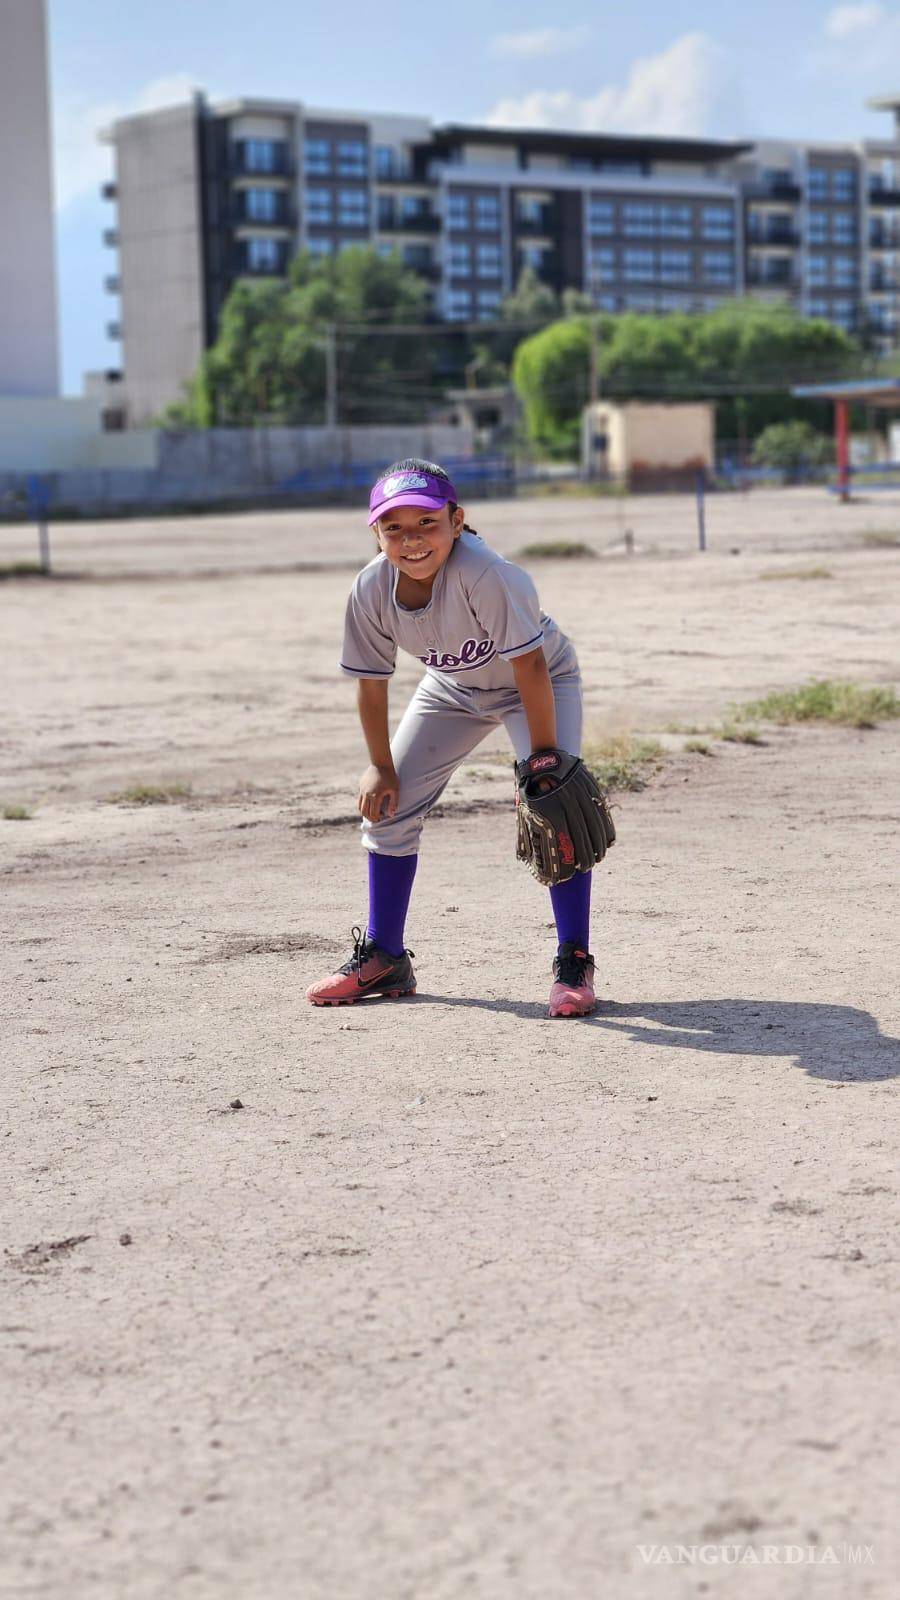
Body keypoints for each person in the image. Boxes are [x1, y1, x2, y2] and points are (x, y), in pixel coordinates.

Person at [306, 458, 598, 1018]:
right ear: (375, 533)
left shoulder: (488, 575)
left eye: (427, 524)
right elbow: (370, 685)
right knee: (386, 809)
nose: (411, 541)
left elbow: (531, 670)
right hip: (454, 688)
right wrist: (380, 765)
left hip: (537, 684)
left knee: (558, 807)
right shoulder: (370, 590)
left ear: (457, 520)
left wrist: (542, 761)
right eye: (395, 528)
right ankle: (386, 957)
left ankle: (574, 960)